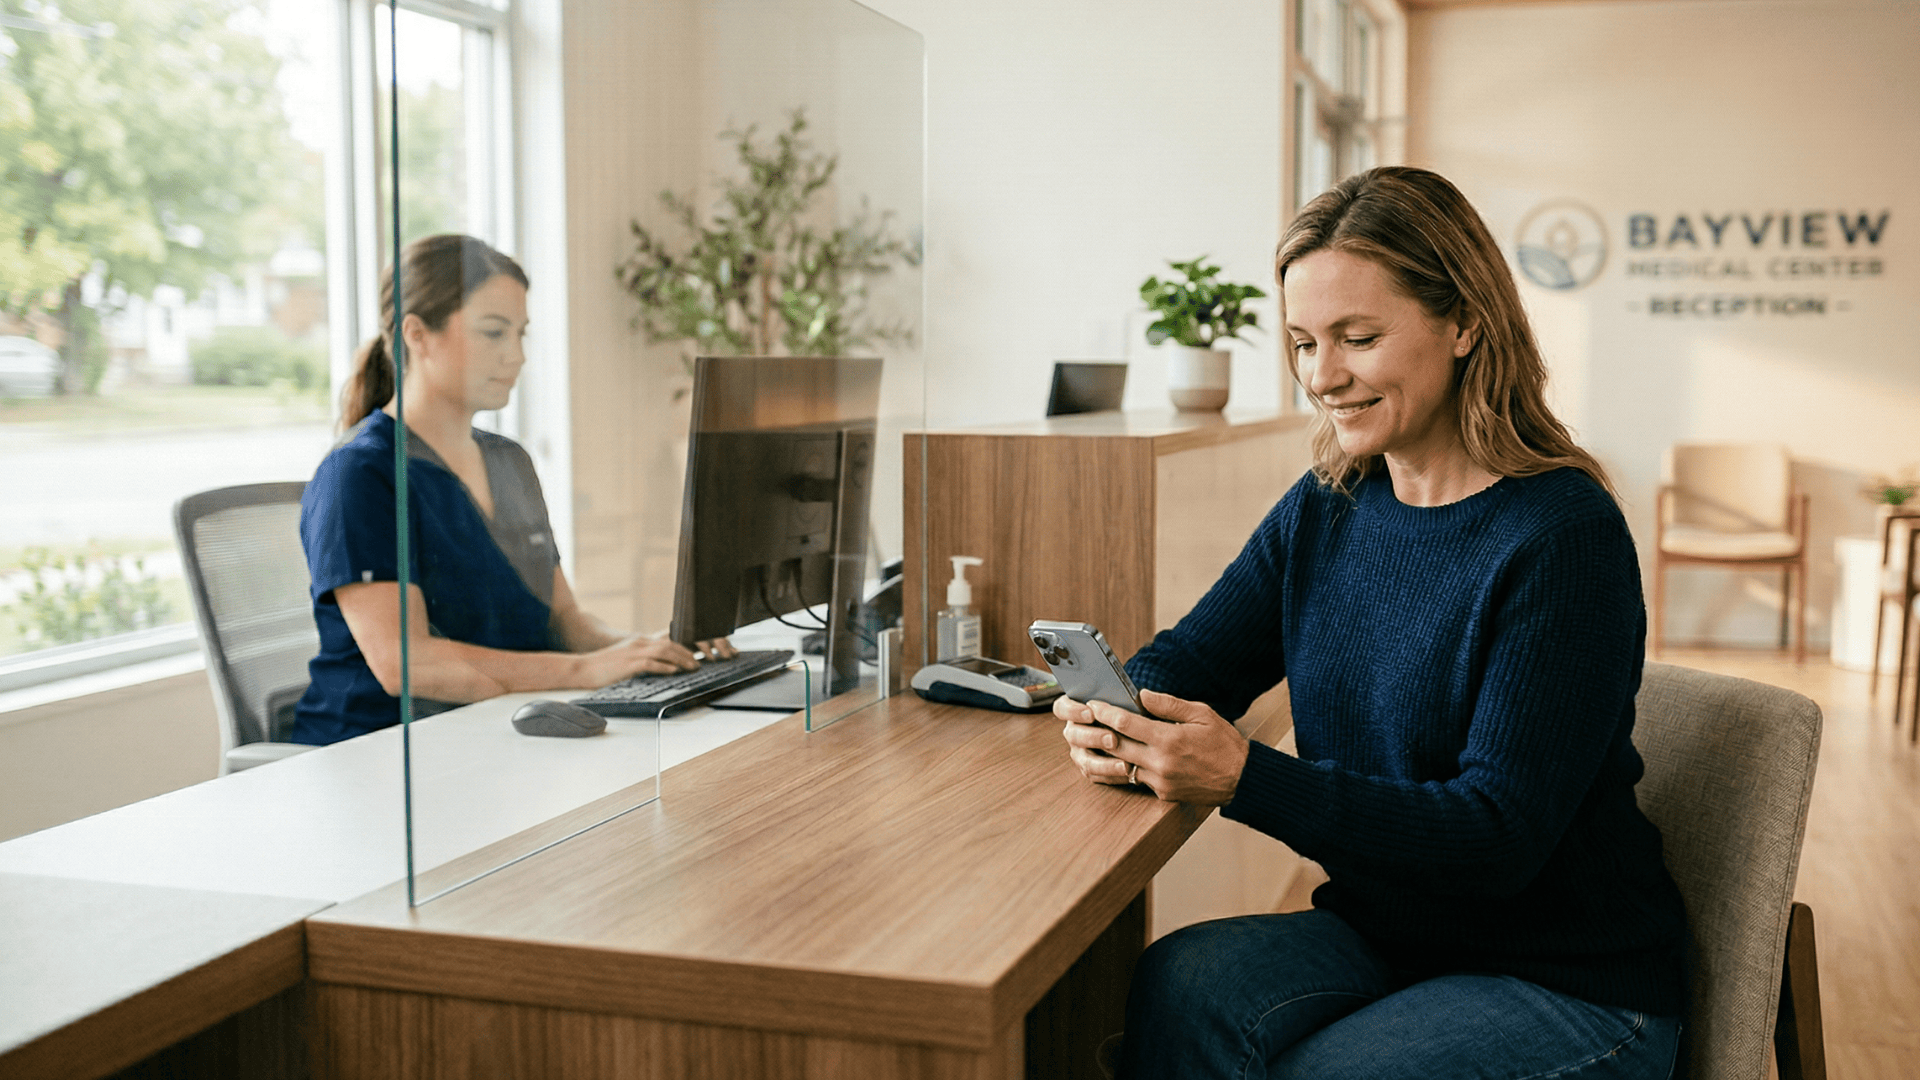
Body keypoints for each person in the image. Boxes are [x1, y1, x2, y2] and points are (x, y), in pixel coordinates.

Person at [1059, 168, 1689, 1078]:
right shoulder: (1329, 506)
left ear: (1465, 322)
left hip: (1569, 980)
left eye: (1359, 337)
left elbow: (1497, 836)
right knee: (1179, 982)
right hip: (1389, 933)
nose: (1323, 376)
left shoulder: (1563, 538)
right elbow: (1194, 659)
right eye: (1303, 341)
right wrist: (1113, 712)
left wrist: (1245, 778)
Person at [292, 234, 731, 746]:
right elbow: (407, 665)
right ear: (417, 334)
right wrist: (587, 672)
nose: (517, 356)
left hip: (498, 732)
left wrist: (644, 649)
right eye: (494, 333)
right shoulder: (360, 475)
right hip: (379, 752)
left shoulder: (509, 461)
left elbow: (564, 620)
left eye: (521, 334)